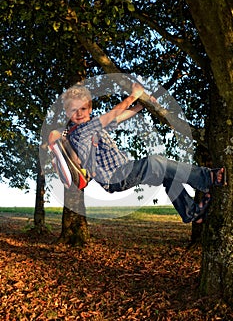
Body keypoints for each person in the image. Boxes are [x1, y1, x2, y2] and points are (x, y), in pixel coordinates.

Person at [61, 83, 226, 224]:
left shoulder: (91, 127)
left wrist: (142, 105)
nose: (79, 113)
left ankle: (192, 213)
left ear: (89, 108)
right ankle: (206, 177)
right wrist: (134, 95)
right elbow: (113, 114)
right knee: (156, 162)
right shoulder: (80, 132)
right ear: (67, 113)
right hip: (116, 175)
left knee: (168, 176)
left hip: (124, 170)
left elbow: (119, 118)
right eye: (73, 110)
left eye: (83, 108)